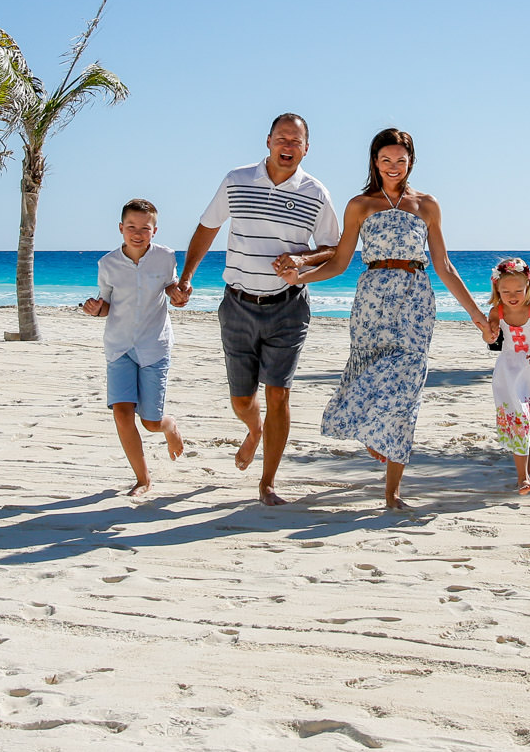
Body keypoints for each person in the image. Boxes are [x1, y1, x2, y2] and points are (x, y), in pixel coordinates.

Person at [284, 128, 488, 510]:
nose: (393, 167)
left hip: (416, 299)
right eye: (385, 160)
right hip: (372, 300)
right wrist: (302, 277)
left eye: (400, 160)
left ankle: (392, 492)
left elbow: (443, 265)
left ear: (411, 162)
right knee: (369, 373)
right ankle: (371, 433)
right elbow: (341, 261)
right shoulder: (360, 205)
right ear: (374, 162)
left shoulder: (427, 205)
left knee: (408, 389)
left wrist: (476, 315)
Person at [170, 114, 339, 506]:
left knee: (279, 394)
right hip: (237, 305)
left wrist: (300, 260)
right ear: (267, 141)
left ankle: (267, 482)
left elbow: (333, 248)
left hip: (289, 308)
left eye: (296, 140)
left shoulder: (316, 193)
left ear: (306, 148)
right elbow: (207, 227)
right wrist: (188, 276)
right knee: (242, 401)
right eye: (282, 138)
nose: (288, 145)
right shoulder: (237, 180)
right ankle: (254, 429)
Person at [81, 198, 186, 496]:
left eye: (144, 228)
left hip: (155, 345)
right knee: (122, 413)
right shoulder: (108, 264)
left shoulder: (166, 257)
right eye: (131, 227)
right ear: (120, 228)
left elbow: (169, 285)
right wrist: (95, 308)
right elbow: (106, 306)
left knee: (151, 422)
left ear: (155, 230)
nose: (137, 233)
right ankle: (143, 479)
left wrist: (177, 294)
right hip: (119, 346)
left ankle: (170, 426)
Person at [479, 257, 530, 495]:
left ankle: (527, 459)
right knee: (518, 417)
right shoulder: (497, 311)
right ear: (497, 290)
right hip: (508, 369)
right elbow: (490, 339)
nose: (512, 295)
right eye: (505, 291)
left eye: (518, 290)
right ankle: (522, 478)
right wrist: (489, 334)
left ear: (527, 287)